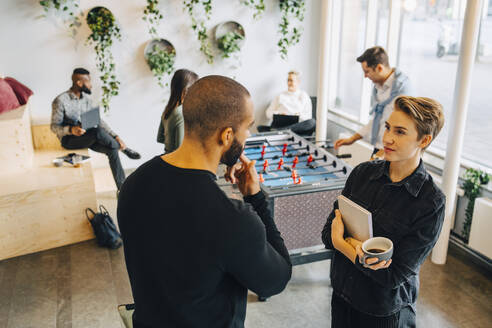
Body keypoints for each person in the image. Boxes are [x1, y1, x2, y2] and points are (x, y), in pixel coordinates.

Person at [117, 75, 292, 328]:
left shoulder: (134, 183)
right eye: (248, 127)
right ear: (227, 135)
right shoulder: (233, 220)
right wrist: (256, 198)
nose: (249, 134)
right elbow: (277, 279)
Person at [322, 96, 445, 327]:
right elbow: (328, 232)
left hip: (382, 315)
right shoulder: (362, 174)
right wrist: (347, 244)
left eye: (400, 132)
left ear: (424, 140)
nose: (387, 138)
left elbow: (393, 276)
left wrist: (342, 244)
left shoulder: (430, 203)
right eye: (388, 127)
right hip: (341, 298)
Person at [51, 68, 140, 190]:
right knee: (98, 132)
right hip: (69, 140)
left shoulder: (87, 101)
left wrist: (116, 136)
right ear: (79, 83)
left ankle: (123, 190)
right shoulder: (60, 100)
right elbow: (54, 127)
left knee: (112, 150)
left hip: (88, 137)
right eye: (88, 81)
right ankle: (124, 149)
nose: (91, 85)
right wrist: (71, 130)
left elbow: (98, 121)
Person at [334, 46, 412, 159]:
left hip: (393, 152)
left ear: (379, 68)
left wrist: (382, 156)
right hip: (380, 148)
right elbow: (377, 119)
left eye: (367, 72)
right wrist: (352, 139)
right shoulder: (379, 87)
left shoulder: (403, 90)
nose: (365, 76)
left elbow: (401, 130)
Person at [257, 70, 315, 135]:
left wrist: (298, 115)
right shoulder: (280, 95)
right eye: (288, 80)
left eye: (291, 80)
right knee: (260, 127)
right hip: (281, 123)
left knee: (312, 122)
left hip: (296, 126)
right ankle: (280, 130)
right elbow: (268, 113)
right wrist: (279, 113)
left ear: (298, 82)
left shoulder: (304, 96)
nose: (289, 83)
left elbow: (308, 117)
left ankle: (279, 131)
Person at [156, 69, 198, 153]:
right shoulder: (182, 113)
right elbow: (180, 148)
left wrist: (170, 143)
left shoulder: (168, 109)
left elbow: (160, 138)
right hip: (177, 163)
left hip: (167, 156)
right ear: (186, 90)